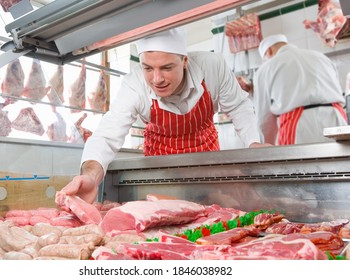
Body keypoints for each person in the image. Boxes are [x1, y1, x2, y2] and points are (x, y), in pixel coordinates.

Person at [61, 27, 268, 204]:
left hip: (207, 162)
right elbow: (106, 136)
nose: (157, 78)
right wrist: (90, 175)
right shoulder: (134, 85)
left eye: (167, 68)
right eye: (148, 68)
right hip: (159, 169)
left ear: (185, 60)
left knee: (211, 221)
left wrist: (254, 143)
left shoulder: (212, 66)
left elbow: (239, 106)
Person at [253, 34, 348, 145]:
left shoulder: (266, 68)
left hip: (298, 126)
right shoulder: (321, 57)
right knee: (343, 161)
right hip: (337, 118)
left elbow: (264, 118)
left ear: (268, 51)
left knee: (300, 162)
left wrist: (267, 145)